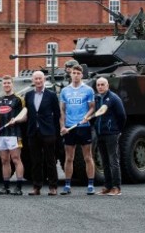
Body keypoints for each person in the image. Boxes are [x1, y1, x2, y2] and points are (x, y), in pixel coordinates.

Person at [59, 64, 96, 195]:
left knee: (87, 157)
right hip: (70, 128)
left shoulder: (88, 90)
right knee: (69, 158)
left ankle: (90, 185)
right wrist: (62, 126)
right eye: (73, 73)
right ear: (70, 74)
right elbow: (62, 111)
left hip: (84, 127)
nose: (75, 75)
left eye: (78, 73)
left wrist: (87, 116)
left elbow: (92, 107)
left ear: (81, 75)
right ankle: (67, 186)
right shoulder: (65, 91)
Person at [24, 70, 61, 196]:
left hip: (48, 132)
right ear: (33, 81)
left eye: (40, 78)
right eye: (36, 79)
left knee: (50, 160)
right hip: (33, 132)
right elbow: (28, 113)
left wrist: (55, 131)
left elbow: (57, 114)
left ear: (44, 79)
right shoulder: (28, 95)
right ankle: (36, 186)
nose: (38, 81)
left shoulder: (51, 95)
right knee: (35, 161)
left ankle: (53, 187)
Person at [0, 75, 25, 195]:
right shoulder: (0, 99)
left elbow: (25, 115)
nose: (6, 85)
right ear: (2, 85)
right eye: (4, 83)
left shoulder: (18, 99)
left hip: (14, 134)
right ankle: (6, 187)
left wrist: (16, 120)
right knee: (4, 160)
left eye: (8, 83)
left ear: (12, 84)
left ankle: (19, 187)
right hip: (2, 134)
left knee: (16, 159)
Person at [93, 77, 126, 196]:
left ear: (107, 86)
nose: (100, 87)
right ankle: (107, 186)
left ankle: (116, 187)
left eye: (102, 84)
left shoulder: (113, 98)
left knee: (113, 161)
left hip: (112, 133)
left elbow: (122, 115)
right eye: (98, 85)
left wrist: (118, 130)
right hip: (100, 133)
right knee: (104, 161)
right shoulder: (97, 98)